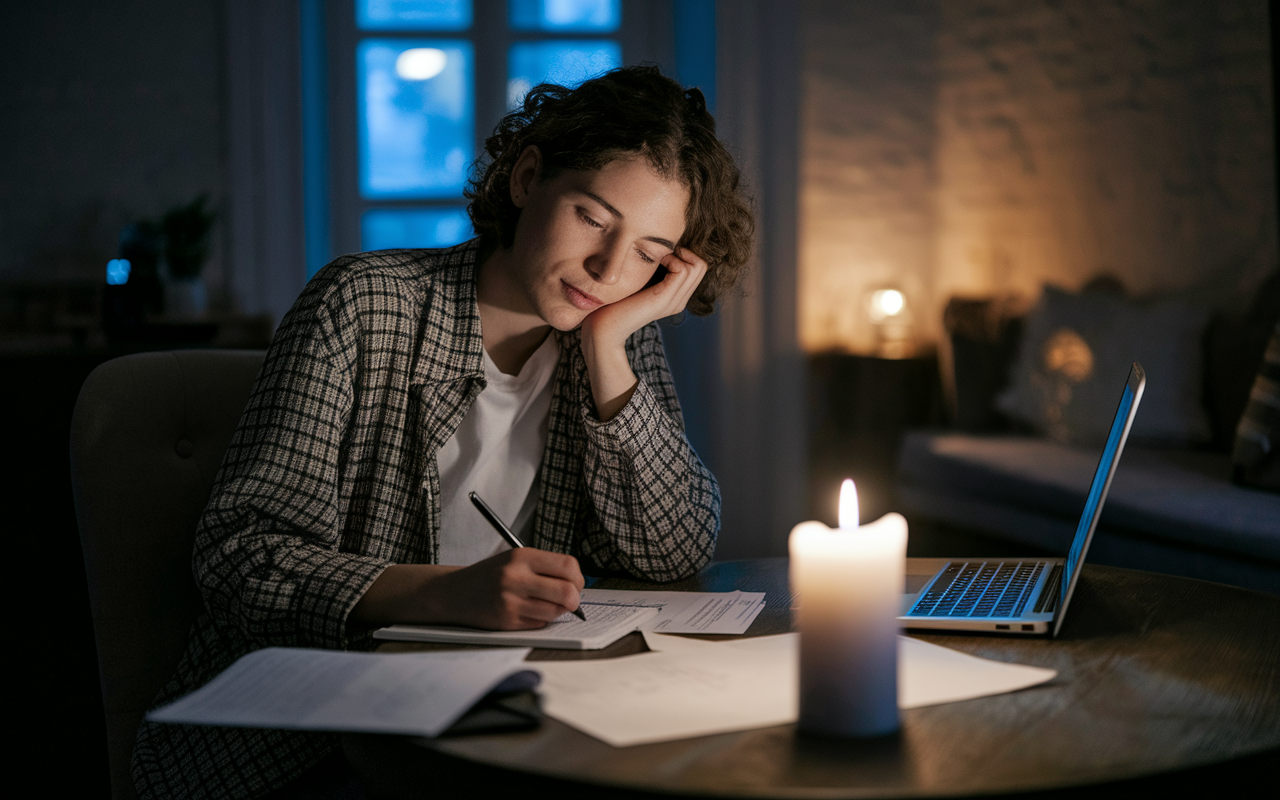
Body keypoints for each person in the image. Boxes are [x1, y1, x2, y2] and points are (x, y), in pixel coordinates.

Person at [131, 65, 754, 800]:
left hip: (514, 712)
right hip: (310, 741)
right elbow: (241, 556)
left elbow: (674, 550)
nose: (610, 269)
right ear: (527, 178)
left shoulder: (611, 339)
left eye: (649, 254)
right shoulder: (361, 303)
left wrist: (612, 345)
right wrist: (447, 594)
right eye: (592, 217)